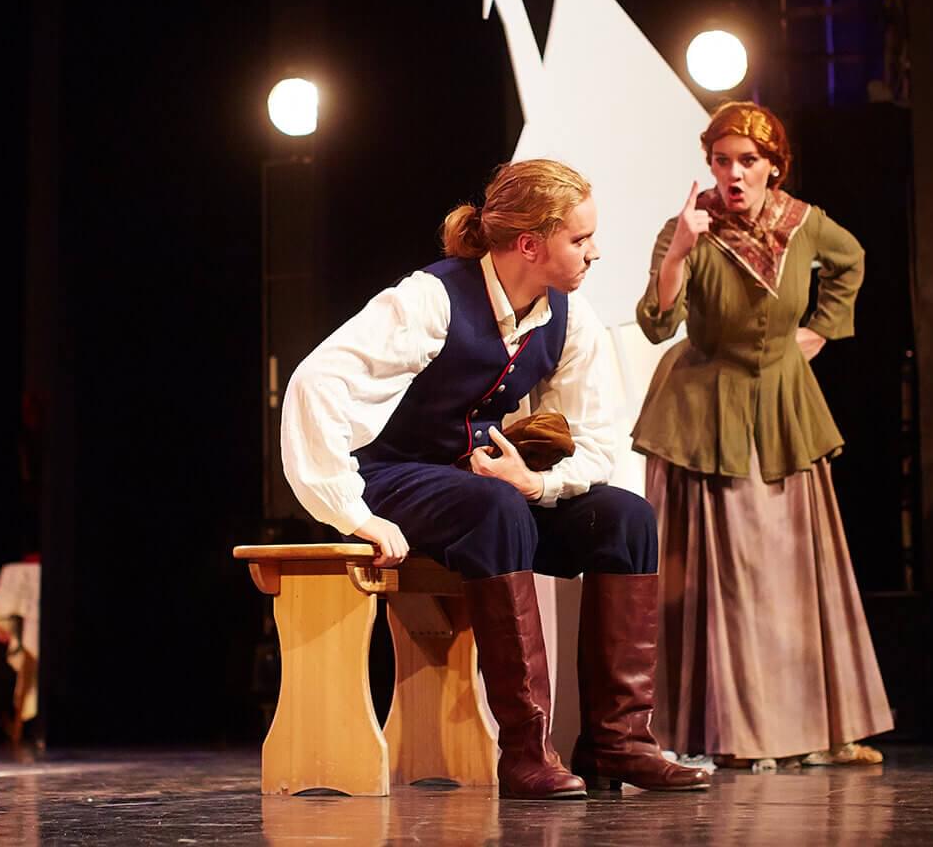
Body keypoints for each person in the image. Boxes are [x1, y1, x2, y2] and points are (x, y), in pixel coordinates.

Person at [281, 158, 709, 799]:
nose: (595, 252)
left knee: (625, 518)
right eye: (580, 239)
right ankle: (526, 751)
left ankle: (617, 742)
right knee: (494, 507)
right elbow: (317, 384)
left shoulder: (569, 316)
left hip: (481, 489)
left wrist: (537, 484)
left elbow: (596, 437)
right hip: (396, 477)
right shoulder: (432, 298)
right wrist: (354, 513)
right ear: (529, 245)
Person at [633, 101, 893, 768]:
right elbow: (659, 322)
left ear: (774, 166)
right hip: (705, 413)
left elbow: (851, 259)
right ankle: (732, 734)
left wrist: (821, 331)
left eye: (748, 161)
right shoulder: (691, 228)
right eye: (722, 161)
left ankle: (814, 729)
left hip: (781, 407)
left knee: (793, 573)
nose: (734, 174)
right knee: (730, 578)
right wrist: (680, 250)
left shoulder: (801, 222)